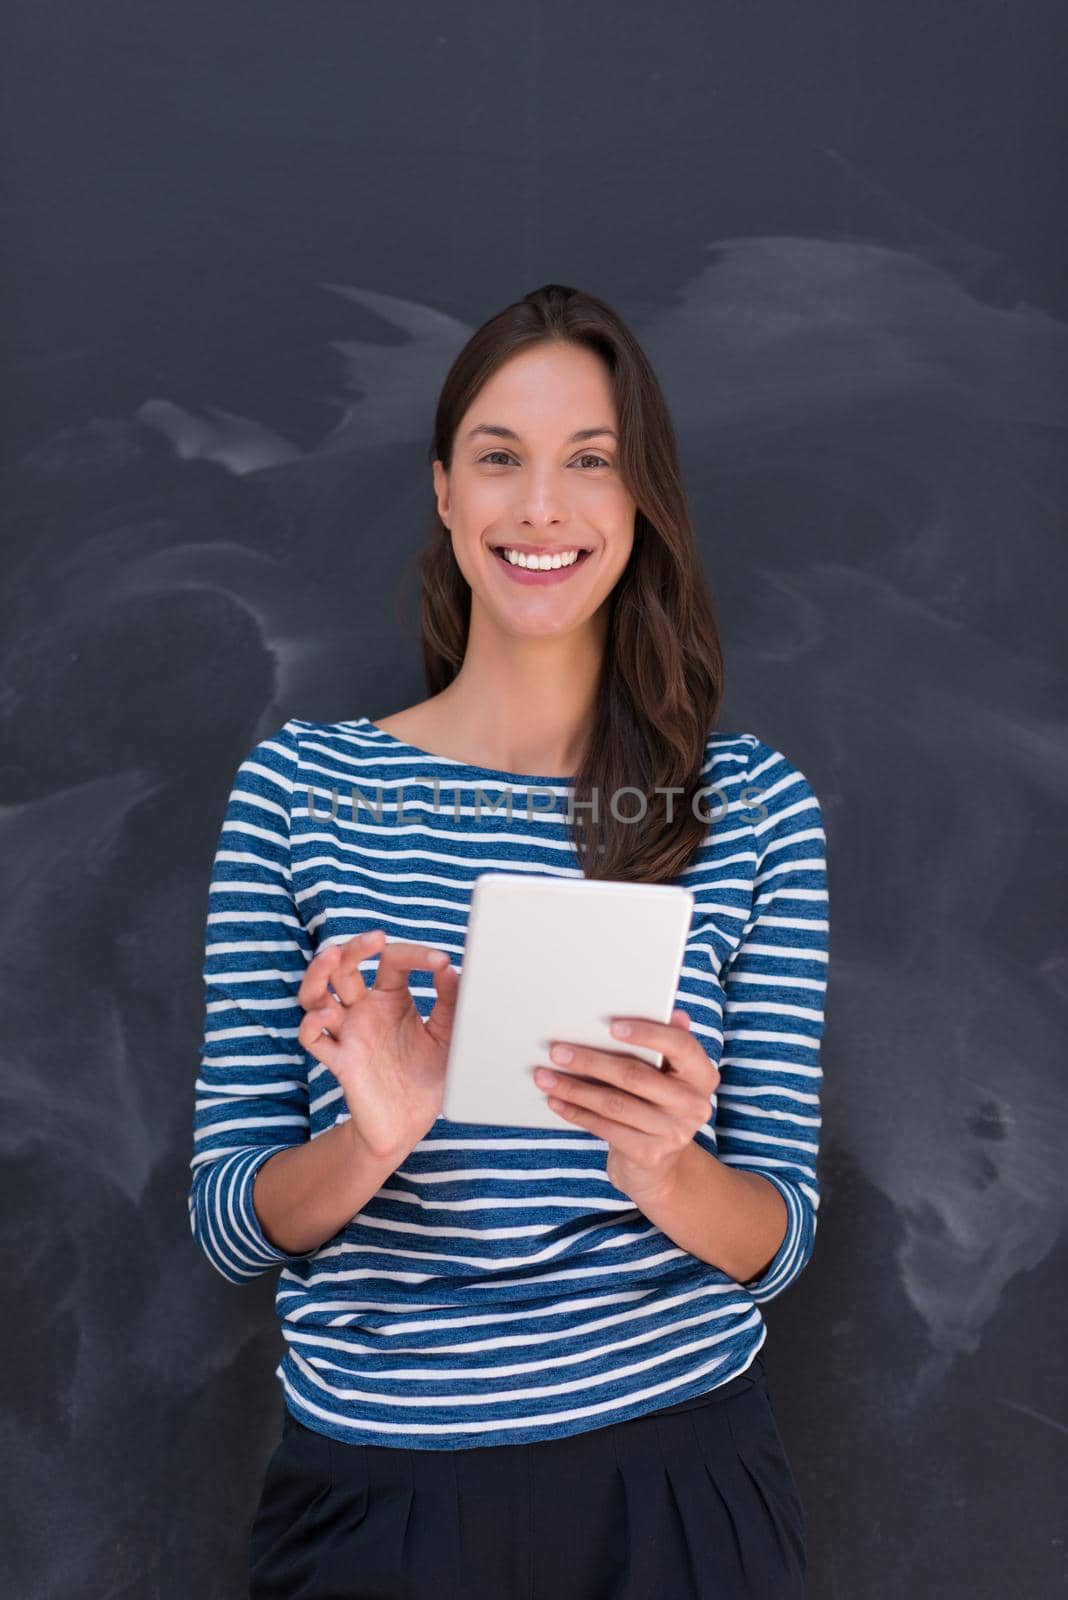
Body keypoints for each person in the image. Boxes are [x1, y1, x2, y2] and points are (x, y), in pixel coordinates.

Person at [188, 284, 829, 1598]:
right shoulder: (298, 794)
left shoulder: (751, 806)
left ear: (641, 500)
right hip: (375, 1506)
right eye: (500, 458)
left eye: (590, 463)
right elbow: (226, 1222)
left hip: (677, 1488)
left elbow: (783, 1236)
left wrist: (662, 1167)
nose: (541, 507)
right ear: (442, 492)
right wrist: (372, 1139)